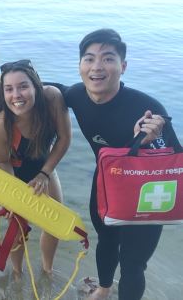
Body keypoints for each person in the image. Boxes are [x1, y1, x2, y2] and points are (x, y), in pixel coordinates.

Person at [51, 29, 181, 300]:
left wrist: (146, 141)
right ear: (80, 67)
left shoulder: (147, 108)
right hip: (105, 187)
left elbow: (171, 163)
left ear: (123, 66)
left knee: (133, 264)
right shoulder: (76, 96)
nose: (97, 67)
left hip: (145, 196)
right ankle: (104, 289)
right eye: (89, 59)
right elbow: (47, 91)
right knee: (106, 241)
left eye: (108, 59)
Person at [0, 59, 71, 276]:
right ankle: (16, 273)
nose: (16, 95)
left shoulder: (52, 98)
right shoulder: (0, 125)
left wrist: (44, 173)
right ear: (3, 94)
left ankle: (47, 269)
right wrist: (12, 197)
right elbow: (3, 162)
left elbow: (63, 139)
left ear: (35, 85)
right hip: (14, 173)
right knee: (17, 230)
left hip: (44, 168)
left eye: (23, 86)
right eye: (9, 89)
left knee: (54, 223)